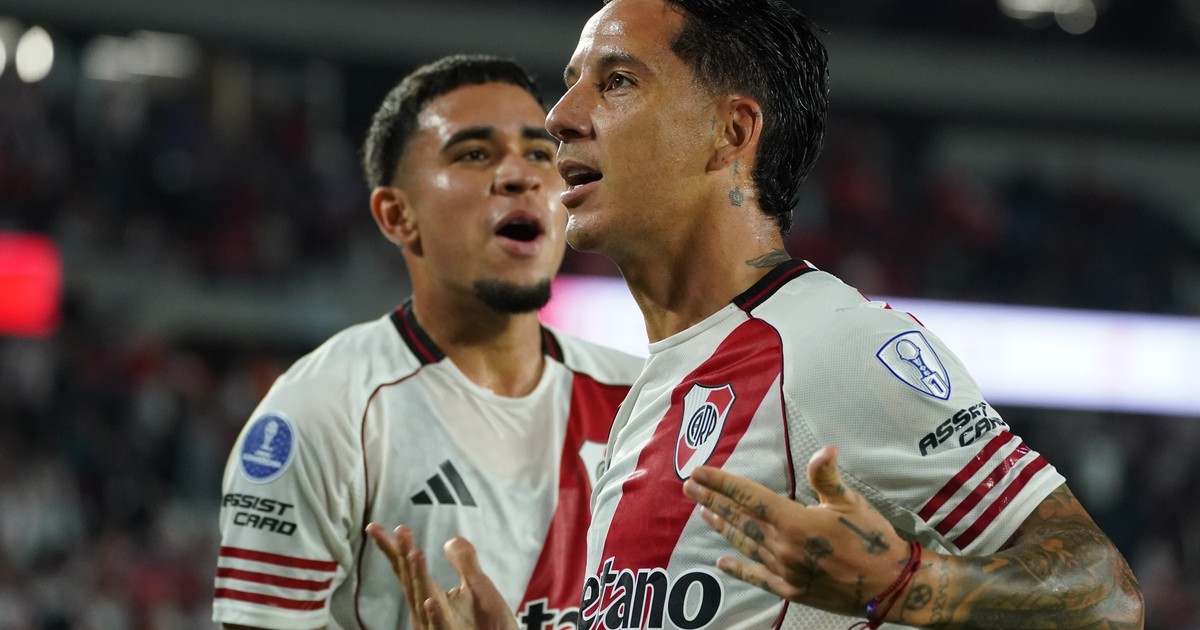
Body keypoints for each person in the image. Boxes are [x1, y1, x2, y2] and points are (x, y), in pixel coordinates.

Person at [369, 0, 1144, 628]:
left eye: (617, 81)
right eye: (572, 82)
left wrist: (904, 584)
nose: (560, 115)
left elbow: (1107, 595)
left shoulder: (836, 344)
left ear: (731, 133)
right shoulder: (651, 392)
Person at [212, 54, 644, 630]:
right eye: (474, 154)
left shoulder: (643, 402)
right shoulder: (320, 414)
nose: (521, 175)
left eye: (541, 153)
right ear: (398, 215)